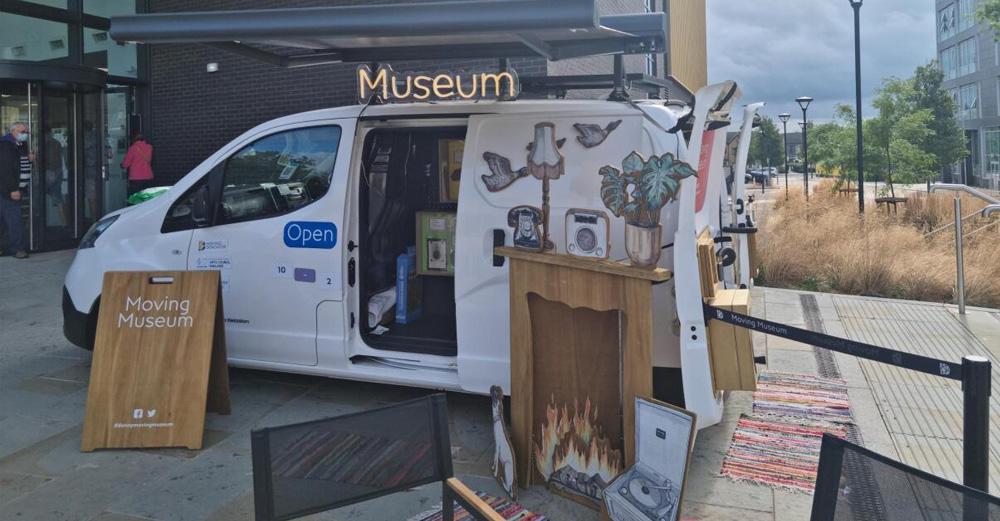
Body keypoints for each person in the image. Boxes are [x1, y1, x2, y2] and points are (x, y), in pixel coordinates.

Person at [0, 122, 29, 259]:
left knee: (6, 219)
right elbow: (5, 169)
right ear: (13, 131)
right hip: (9, 190)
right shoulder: (6, 145)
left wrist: (30, 160)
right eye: (23, 131)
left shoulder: (20, 144)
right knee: (14, 219)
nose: (26, 134)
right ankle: (18, 249)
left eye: (27, 132)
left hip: (16, 189)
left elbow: (20, 163)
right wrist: (13, 189)